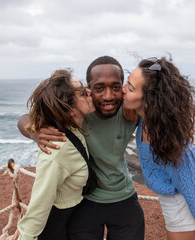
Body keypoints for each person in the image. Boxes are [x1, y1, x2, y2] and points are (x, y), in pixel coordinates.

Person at [17, 56, 145, 240]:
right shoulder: (80, 111)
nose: (108, 96)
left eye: (115, 87)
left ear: (123, 89)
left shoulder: (129, 110)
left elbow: (160, 108)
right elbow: (25, 118)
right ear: (89, 89)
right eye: (99, 88)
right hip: (86, 200)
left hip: (123, 196)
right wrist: (35, 132)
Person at [122, 56, 195, 240]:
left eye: (130, 88)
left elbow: (193, 176)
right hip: (176, 199)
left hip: (182, 204)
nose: (122, 90)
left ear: (149, 98)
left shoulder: (164, 137)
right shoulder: (145, 118)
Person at [17, 69, 95, 240]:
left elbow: (24, 118)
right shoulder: (56, 151)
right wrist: (26, 236)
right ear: (70, 111)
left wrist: (32, 130)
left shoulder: (74, 128)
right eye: (83, 93)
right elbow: (39, 204)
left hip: (71, 220)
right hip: (53, 228)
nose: (90, 92)